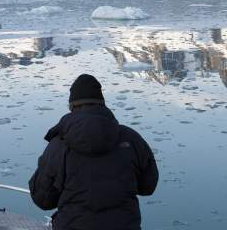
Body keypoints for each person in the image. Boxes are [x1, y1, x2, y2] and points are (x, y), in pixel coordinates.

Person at [29, 74, 159, 230]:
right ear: (102, 104)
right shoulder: (131, 140)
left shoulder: (58, 146)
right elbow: (148, 186)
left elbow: (42, 199)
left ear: (72, 107)